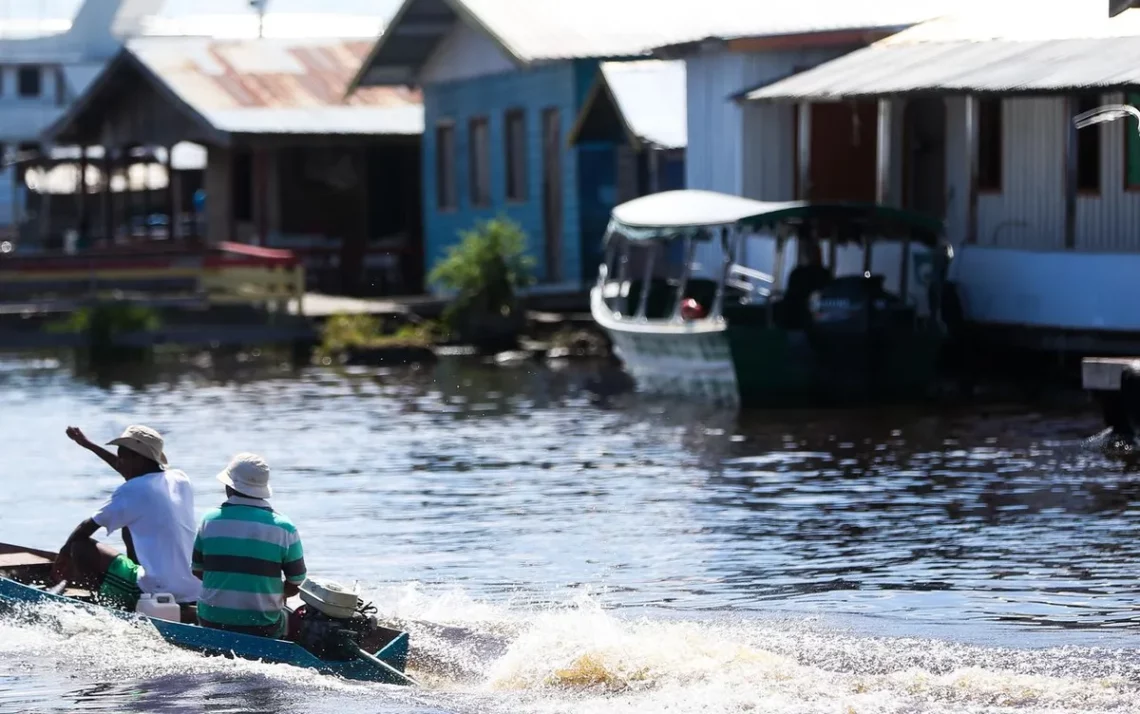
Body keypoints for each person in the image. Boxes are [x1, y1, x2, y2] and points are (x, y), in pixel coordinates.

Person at [55, 425, 201, 611]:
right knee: (128, 523)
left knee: (79, 546)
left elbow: (86, 527)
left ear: (138, 458)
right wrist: (88, 445)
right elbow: (131, 472)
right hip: (193, 588)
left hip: (157, 588)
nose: (119, 462)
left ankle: (105, 606)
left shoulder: (131, 491)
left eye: (122, 456)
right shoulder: (180, 479)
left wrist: (64, 555)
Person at [192, 453, 307, 638]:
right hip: (263, 625)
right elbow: (296, 582)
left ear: (229, 486)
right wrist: (270, 595)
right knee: (290, 617)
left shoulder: (209, 521)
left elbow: (197, 571)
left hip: (211, 619)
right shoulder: (284, 528)